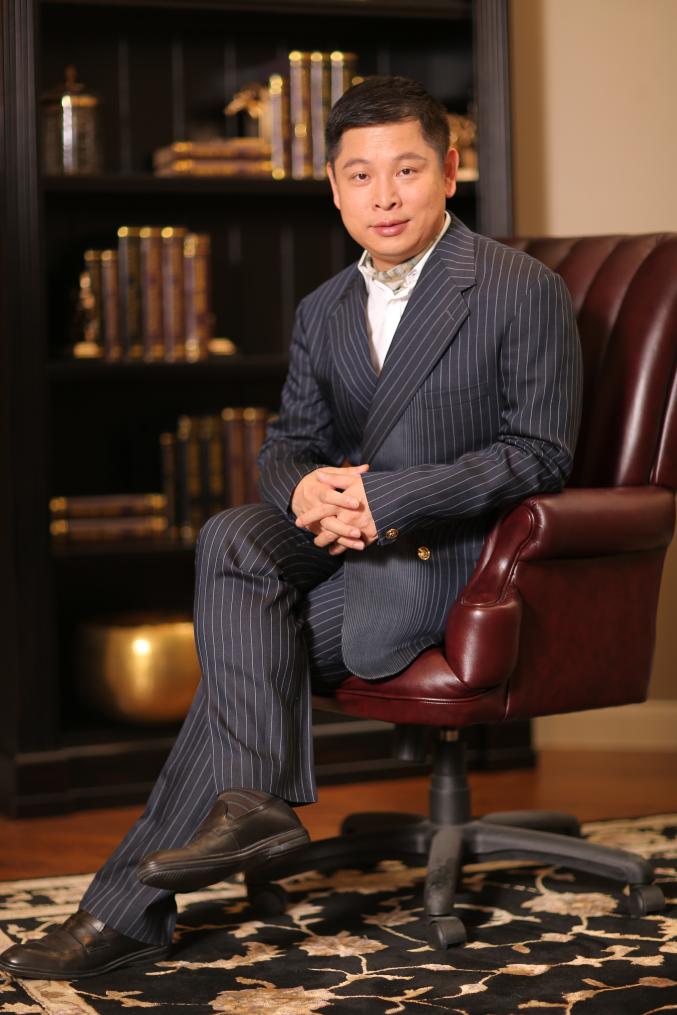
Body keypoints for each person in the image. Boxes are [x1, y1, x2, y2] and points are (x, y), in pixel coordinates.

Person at [0, 76, 582, 980]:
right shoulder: (323, 307)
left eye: (406, 170)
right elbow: (286, 444)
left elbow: (539, 454)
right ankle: (248, 803)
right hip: (342, 542)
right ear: (333, 188)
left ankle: (133, 902)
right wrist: (307, 489)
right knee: (233, 534)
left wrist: (388, 499)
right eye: (359, 175)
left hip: (452, 558)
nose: (383, 196)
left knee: (244, 659)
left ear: (449, 172)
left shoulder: (519, 288)